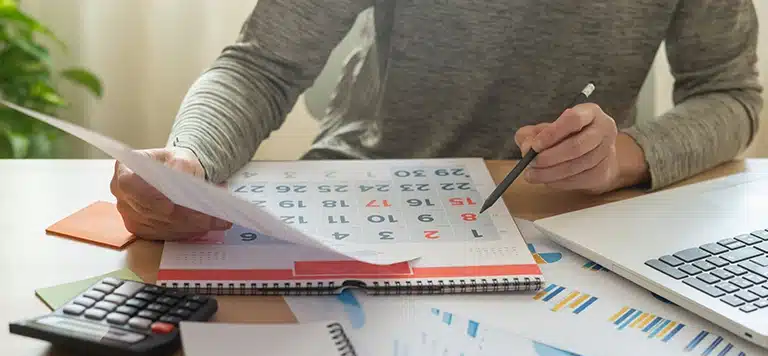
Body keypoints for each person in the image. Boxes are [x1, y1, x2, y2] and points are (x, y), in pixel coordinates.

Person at [111, 0, 762, 241]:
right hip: (359, 201)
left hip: (565, 222)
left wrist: (626, 155)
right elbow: (263, 65)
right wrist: (192, 159)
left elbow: (730, 94)